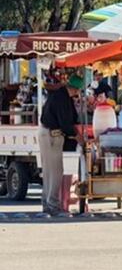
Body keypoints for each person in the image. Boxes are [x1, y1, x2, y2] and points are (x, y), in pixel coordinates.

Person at [39, 73, 82, 215]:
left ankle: (47, 203)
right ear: (75, 89)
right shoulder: (62, 98)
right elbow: (65, 123)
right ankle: (52, 205)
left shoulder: (61, 95)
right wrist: (78, 136)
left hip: (46, 133)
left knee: (48, 171)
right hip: (52, 135)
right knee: (55, 172)